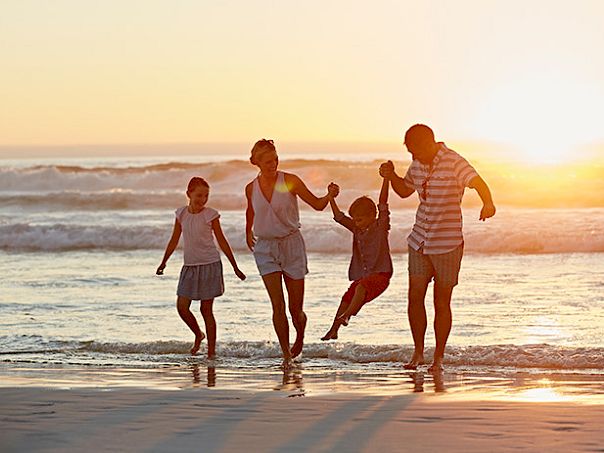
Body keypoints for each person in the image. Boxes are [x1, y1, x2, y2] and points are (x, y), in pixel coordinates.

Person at [380, 124, 496, 372]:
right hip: (419, 240)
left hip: (448, 243)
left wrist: (488, 203)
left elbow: (477, 182)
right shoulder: (417, 164)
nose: (413, 157)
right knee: (414, 298)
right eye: (410, 152)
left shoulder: (454, 161)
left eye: (415, 151)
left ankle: (438, 359)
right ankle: (418, 353)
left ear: (429, 143)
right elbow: (403, 191)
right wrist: (391, 176)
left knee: (441, 303)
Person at [245, 139, 332, 366]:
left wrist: (330, 195)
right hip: (265, 248)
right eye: (267, 162)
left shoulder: (289, 181)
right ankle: (285, 356)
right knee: (278, 305)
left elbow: (317, 204)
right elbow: (250, 210)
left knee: (295, 309)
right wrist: (248, 231)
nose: (272, 165)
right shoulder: (250, 188)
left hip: (292, 245)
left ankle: (300, 336)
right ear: (257, 163)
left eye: (275, 159)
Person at [157, 177, 246, 358]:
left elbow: (221, 240)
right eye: (199, 195)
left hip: (209, 265)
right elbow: (174, 239)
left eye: (206, 196)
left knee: (206, 310)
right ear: (188, 194)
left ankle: (211, 353)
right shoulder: (181, 214)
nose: (203, 200)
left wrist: (235, 267)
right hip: (189, 266)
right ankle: (198, 334)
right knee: (182, 307)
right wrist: (163, 262)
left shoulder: (210, 215)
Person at [321, 176, 393, 341]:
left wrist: (386, 180)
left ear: (372, 216)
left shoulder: (380, 227)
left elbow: (383, 203)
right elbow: (339, 217)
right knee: (346, 297)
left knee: (360, 288)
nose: (356, 223)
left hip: (381, 276)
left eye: (359, 219)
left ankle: (346, 316)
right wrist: (331, 198)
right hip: (365, 277)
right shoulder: (356, 228)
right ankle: (334, 330)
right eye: (354, 220)